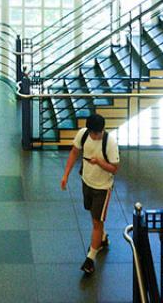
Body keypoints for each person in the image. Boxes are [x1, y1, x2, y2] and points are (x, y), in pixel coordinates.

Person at [60, 113, 120, 276]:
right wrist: (66, 175)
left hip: (102, 187)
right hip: (86, 181)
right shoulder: (83, 134)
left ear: (102, 130)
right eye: (93, 133)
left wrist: (99, 162)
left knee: (96, 222)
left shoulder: (110, 143)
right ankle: (102, 236)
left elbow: (115, 169)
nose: (95, 136)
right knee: (93, 215)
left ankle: (90, 258)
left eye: (97, 133)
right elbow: (74, 152)